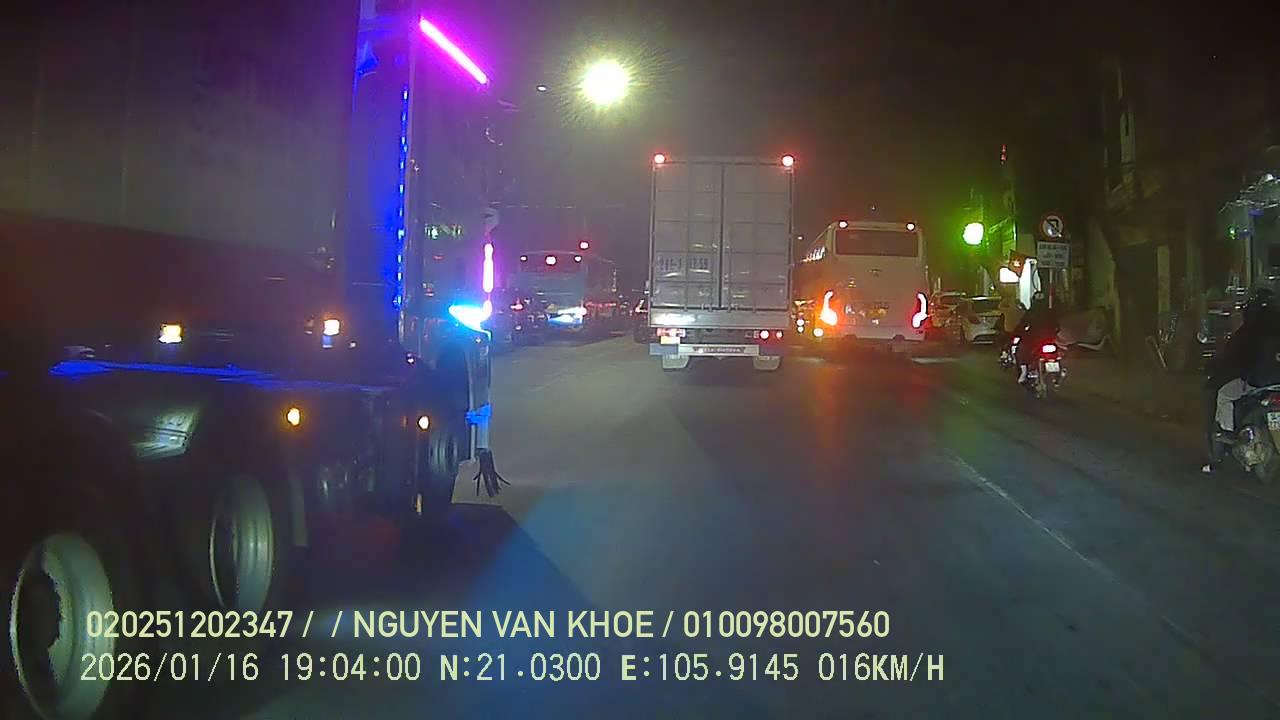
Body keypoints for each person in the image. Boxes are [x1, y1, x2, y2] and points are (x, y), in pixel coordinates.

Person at [1203, 286, 1280, 473]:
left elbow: (1233, 356)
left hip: (1258, 382)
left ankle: (1227, 432)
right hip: (1274, 381)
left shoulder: (1250, 331)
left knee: (1224, 395)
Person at [1015, 290, 1060, 384]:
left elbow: (1022, 324)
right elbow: (1057, 326)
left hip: (1034, 338)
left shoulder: (1031, 312)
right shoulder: (1050, 312)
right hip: (1049, 338)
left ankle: (1024, 373)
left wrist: (1018, 332)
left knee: (1021, 352)